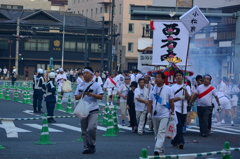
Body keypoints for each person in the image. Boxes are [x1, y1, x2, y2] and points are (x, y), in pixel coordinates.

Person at [75, 67, 103, 154]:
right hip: (83, 110)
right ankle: (86, 147)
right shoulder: (80, 85)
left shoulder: (96, 85)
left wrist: (92, 94)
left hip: (93, 109)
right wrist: (82, 95)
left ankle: (92, 144)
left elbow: (101, 97)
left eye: (87, 73)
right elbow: (76, 97)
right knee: (84, 130)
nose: (85, 75)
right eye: (84, 73)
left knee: (91, 128)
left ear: (92, 75)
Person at [147, 71, 174, 155]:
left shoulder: (169, 89)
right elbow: (150, 102)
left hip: (165, 114)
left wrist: (172, 113)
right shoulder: (152, 89)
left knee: (161, 132)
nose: (157, 79)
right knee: (156, 133)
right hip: (155, 114)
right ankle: (161, 149)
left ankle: (157, 148)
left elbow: (172, 101)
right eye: (156, 77)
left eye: (159, 77)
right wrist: (149, 112)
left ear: (163, 79)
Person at [171, 70, 191, 149]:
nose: (178, 76)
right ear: (175, 78)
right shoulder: (172, 87)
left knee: (181, 125)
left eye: (180, 75)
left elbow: (188, 97)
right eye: (177, 75)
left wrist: (185, 90)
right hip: (176, 109)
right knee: (178, 125)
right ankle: (181, 142)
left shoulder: (187, 87)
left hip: (184, 109)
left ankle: (174, 141)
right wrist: (180, 98)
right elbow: (171, 100)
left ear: (182, 77)